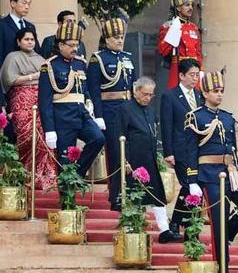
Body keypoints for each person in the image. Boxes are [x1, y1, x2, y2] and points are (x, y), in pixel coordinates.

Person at [184, 70, 238, 273]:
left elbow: (232, 147)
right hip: (209, 174)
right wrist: (192, 180)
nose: (219, 94)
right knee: (218, 220)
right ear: (205, 93)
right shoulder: (195, 117)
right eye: (215, 91)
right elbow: (190, 151)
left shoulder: (228, 118)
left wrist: (235, 168)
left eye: (222, 90)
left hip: (230, 172)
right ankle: (222, 268)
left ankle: (227, 234)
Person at [115, 76, 182, 243]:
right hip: (133, 160)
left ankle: (164, 230)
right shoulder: (125, 109)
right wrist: (124, 161)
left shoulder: (151, 110)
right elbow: (119, 136)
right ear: (136, 91)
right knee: (133, 195)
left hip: (150, 158)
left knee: (158, 194)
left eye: (151, 95)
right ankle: (131, 229)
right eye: (145, 94)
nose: (148, 98)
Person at [38, 21, 105, 177]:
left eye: (77, 44)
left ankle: (77, 175)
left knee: (98, 139)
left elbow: (85, 89)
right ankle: (67, 200)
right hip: (63, 118)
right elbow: (45, 102)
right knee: (64, 161)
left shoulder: (80, 64)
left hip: (82, 115)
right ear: (61, 45)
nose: (75, 48)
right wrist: (49, 130)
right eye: (71, 45)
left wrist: (90, 104)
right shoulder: (49, 66)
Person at [87, 17, 135, 211]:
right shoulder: (97, 59)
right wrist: (98, 115)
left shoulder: (127, 57)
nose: (119, 40)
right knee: (115, 152)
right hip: (110, 110)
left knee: (131, 152)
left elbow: (133, 86)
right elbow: (94, 90)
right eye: (116, 37)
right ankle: (115, 196)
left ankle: (130, 192)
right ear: (106, 39)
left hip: (128, 108)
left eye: (121, 36)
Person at [0, 28, 56, 189]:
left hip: (41, 101)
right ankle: (21, 176)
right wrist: (34, 76)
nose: (30, 42)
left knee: (43, 136)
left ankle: (43, 177)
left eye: (32, 39)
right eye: (26, 39)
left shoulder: (40, 59)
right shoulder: (12, 57)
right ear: (18, 41)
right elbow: (9, 80)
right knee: (26, 136)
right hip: (21, 102)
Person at [160, 58, 202, 237]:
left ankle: (183, 223)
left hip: (198, 150)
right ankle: (179, 222)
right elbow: (166, 125)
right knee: (188, 184)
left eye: (197, 75)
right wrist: (168, 152)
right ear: (181, 75)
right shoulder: (170, 96)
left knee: (195, 185)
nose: (195, 79)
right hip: (179, 149)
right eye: (191, 75)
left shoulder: (199, 95)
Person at [0, 0, 40, 142]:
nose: (27, 6)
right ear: (12, 3)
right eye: (23, 3)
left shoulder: (30, 27)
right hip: (10, 88)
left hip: (34, 93)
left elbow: (38, 55)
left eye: (29, 3)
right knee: (12, 133)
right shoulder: (2, 26)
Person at [157, 0, 202, 89]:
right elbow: (162, 50)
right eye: (187, 5)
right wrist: (174, 30)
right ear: (178, 7)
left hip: (194, 71)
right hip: (178, 70)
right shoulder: (168, 26)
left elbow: (198, 54)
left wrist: (200, 71)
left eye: (191, 5)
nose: (190, 8)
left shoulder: (194, 28)